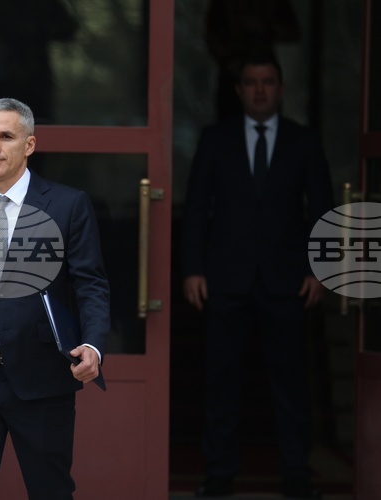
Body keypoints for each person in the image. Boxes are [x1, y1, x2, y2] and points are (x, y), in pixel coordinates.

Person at [0, 97, 110, 499]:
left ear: (29, 144)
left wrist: (94, 345)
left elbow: (91, 285)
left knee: (50, 491)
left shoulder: (68, 205)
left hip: (42, 375)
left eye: (6, 137)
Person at [181, 52, 333, 499]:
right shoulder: (215, 138)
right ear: (239, 90)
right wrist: (193, 269)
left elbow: (321, 208)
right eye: (251, 82)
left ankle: (297, 475)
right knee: (221, 382)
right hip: (225, 279)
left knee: (291, 384)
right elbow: (196, 209)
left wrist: (319, 270)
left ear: (280, 88)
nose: (260, 90)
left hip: (288, 281)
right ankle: (219, 474)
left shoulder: (304, 140)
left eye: (268, 82)